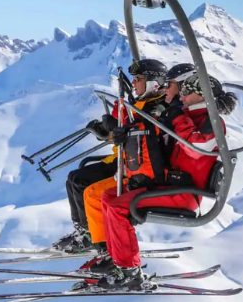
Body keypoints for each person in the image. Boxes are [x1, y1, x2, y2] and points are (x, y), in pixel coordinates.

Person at [92, 74, 238, 290]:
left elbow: (196, 149)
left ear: (203, 96)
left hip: (185, 193)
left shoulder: (212, 122)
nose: (183, 96)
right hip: (170, 186)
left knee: (117, 206)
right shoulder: (186, 117)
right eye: (183, 91)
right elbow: (157, 146)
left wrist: (178, 117)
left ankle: (129, 271)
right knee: (109, 196)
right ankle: (117, 260)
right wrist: (126, 135)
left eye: (188, 92)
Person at [52, 59, 168, 253]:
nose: (133, 83)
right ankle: (84, 231)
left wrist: (117, 129)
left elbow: (143, 134)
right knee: (75, 179)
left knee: (84, 185)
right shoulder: (139, 103)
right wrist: (105, 129)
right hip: (124, 159)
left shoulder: (156, 109)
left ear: (152, 82)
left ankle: (91, 235)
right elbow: (123, 129)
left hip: (136, 165)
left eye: (138, 79)